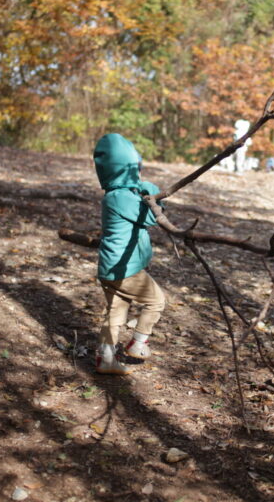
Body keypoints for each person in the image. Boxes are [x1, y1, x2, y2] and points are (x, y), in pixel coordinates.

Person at [92, 133, 168, 375]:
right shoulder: (123, 197)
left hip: (109, 268)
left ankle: (105, 358)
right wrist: (153, 192)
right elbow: (150, 218)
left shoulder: (114, 195)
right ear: (128, 170)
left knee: (116, 310)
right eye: (137, 167)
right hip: (125, 269)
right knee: (156, 301)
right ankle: (138, 343)